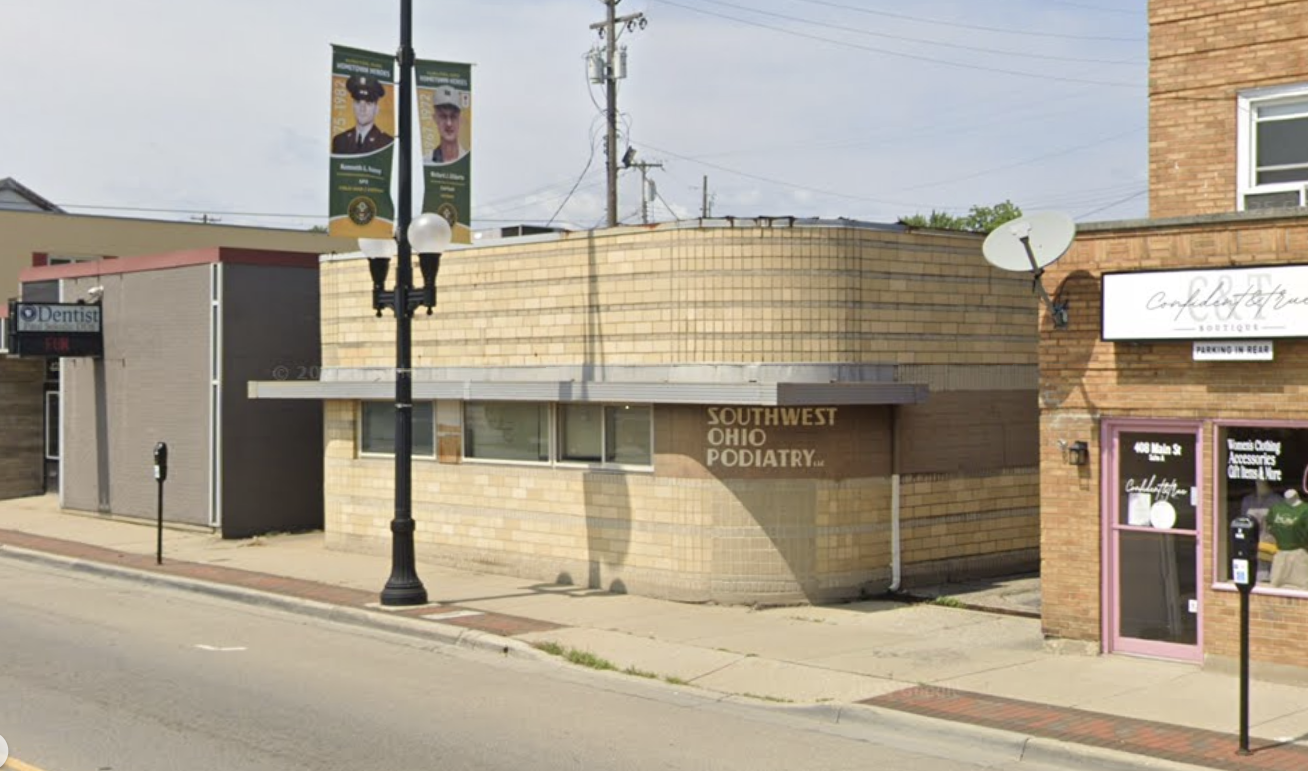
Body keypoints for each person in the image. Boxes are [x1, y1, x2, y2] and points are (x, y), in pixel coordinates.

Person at [332, 75, 393, 155]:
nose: (362, 109)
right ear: (353, 106)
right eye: (358, 102)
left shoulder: (386, 143)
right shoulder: (340, 141)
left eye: (368, 103)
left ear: (376, 109)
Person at [1267, 488, 1308, 589]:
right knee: (1275, 586)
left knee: (1302, 587)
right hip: (1280, 554)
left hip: (1299, 554)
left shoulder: (1305, 510)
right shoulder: (1276, 509)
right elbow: (1270, 525)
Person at [429, 85, 467, 164]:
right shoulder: (427, 160)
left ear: (460, 119)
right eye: (443, 116)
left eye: (453, 116)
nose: (449, 123)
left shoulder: (467, 159)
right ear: (435, 118)